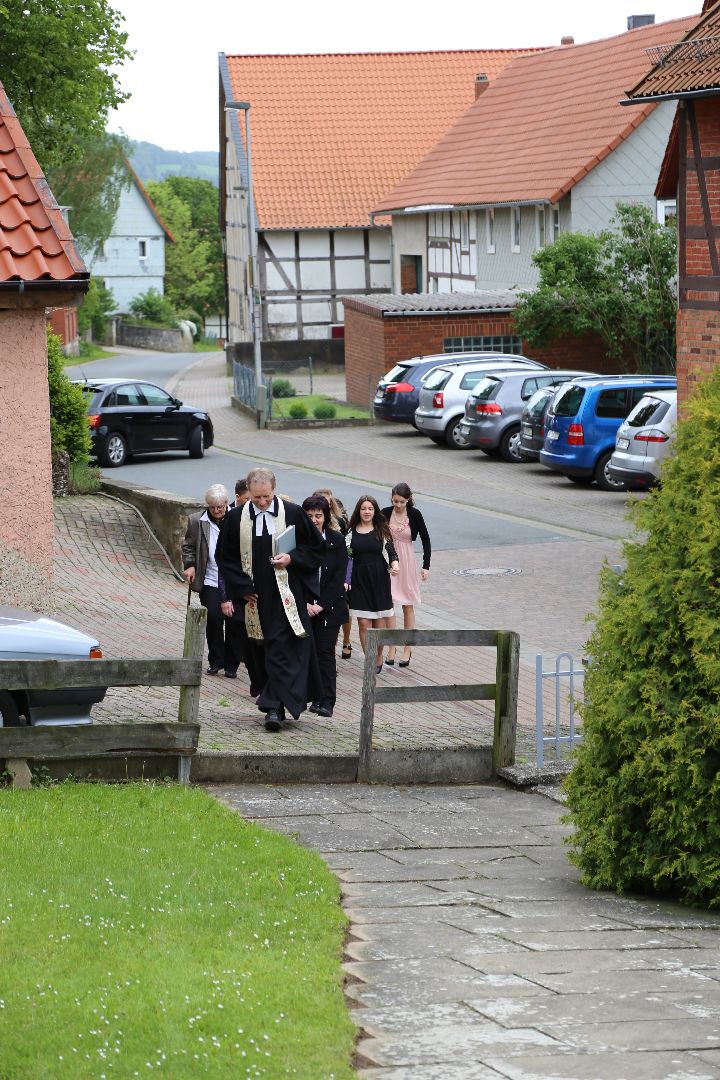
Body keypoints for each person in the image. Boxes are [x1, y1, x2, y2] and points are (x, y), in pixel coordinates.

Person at [217, 467, 324, 732]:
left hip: (287, 594)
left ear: (274, 490)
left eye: (266, 497)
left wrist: (292, 558)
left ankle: (274, 707)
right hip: (255, 597)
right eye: (257, 498)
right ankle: (273, 702)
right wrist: (242, 587)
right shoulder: (235, 519)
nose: (262, 502)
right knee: (261, 650)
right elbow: (225, 557)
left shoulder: (293, 513)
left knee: (283, 648)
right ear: (248, 494)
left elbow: (316, 548)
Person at [181, 484, 244, 678]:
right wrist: (190, 565)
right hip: (210, 578)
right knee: (214, 619)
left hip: (234, 580)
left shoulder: (239, 518)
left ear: (227, 503)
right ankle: (217, 660)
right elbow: (188, 546)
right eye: (213, 507)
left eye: (220, 506)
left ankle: (232, 664)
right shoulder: (197, 521)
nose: (217, 511)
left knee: (235, 621)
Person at [302, 495, 349, 718]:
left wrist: (320, 605)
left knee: (325, 652)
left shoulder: (336, 540)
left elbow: (337, 578)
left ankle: (327, 700)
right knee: (306, 651)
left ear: (325, 516)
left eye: (318, 516)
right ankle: (310, 695)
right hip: (304, 605)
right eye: (310, 516)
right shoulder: (298, 540)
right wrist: (306, 603)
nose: (314, 520)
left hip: (329, 607)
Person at [346, 495, 399, 674]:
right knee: (363, 623)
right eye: (363, 508)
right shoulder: (350, 532)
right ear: (358, 511)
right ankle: (369, 657)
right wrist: (345, 579)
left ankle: (378, 655)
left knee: (378, 622)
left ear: (374, 511)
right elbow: (347, 556)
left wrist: (395, 564)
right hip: (358, 580)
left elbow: (391, 552)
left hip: (378, 579)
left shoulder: (381, 530)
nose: (367, 511)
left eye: (370, 508)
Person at [382, 482, 431, 668]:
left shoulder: (415, 514)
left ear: (408, 500)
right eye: (395, 501)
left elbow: (426, 539)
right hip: (389, 559)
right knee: (389, 604)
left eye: (402, 502)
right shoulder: (386, 512)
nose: (398, 505)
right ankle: (391, 647)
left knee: (407, 604)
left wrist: (426, 566)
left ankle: (407, 647)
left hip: (407, 561)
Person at [313, 487, 353, 660]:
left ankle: (343, 642)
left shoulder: (339, 526)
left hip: (334, 584)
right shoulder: (307, 530)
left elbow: (346, 555)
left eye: (327, 504)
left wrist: (346, 578)